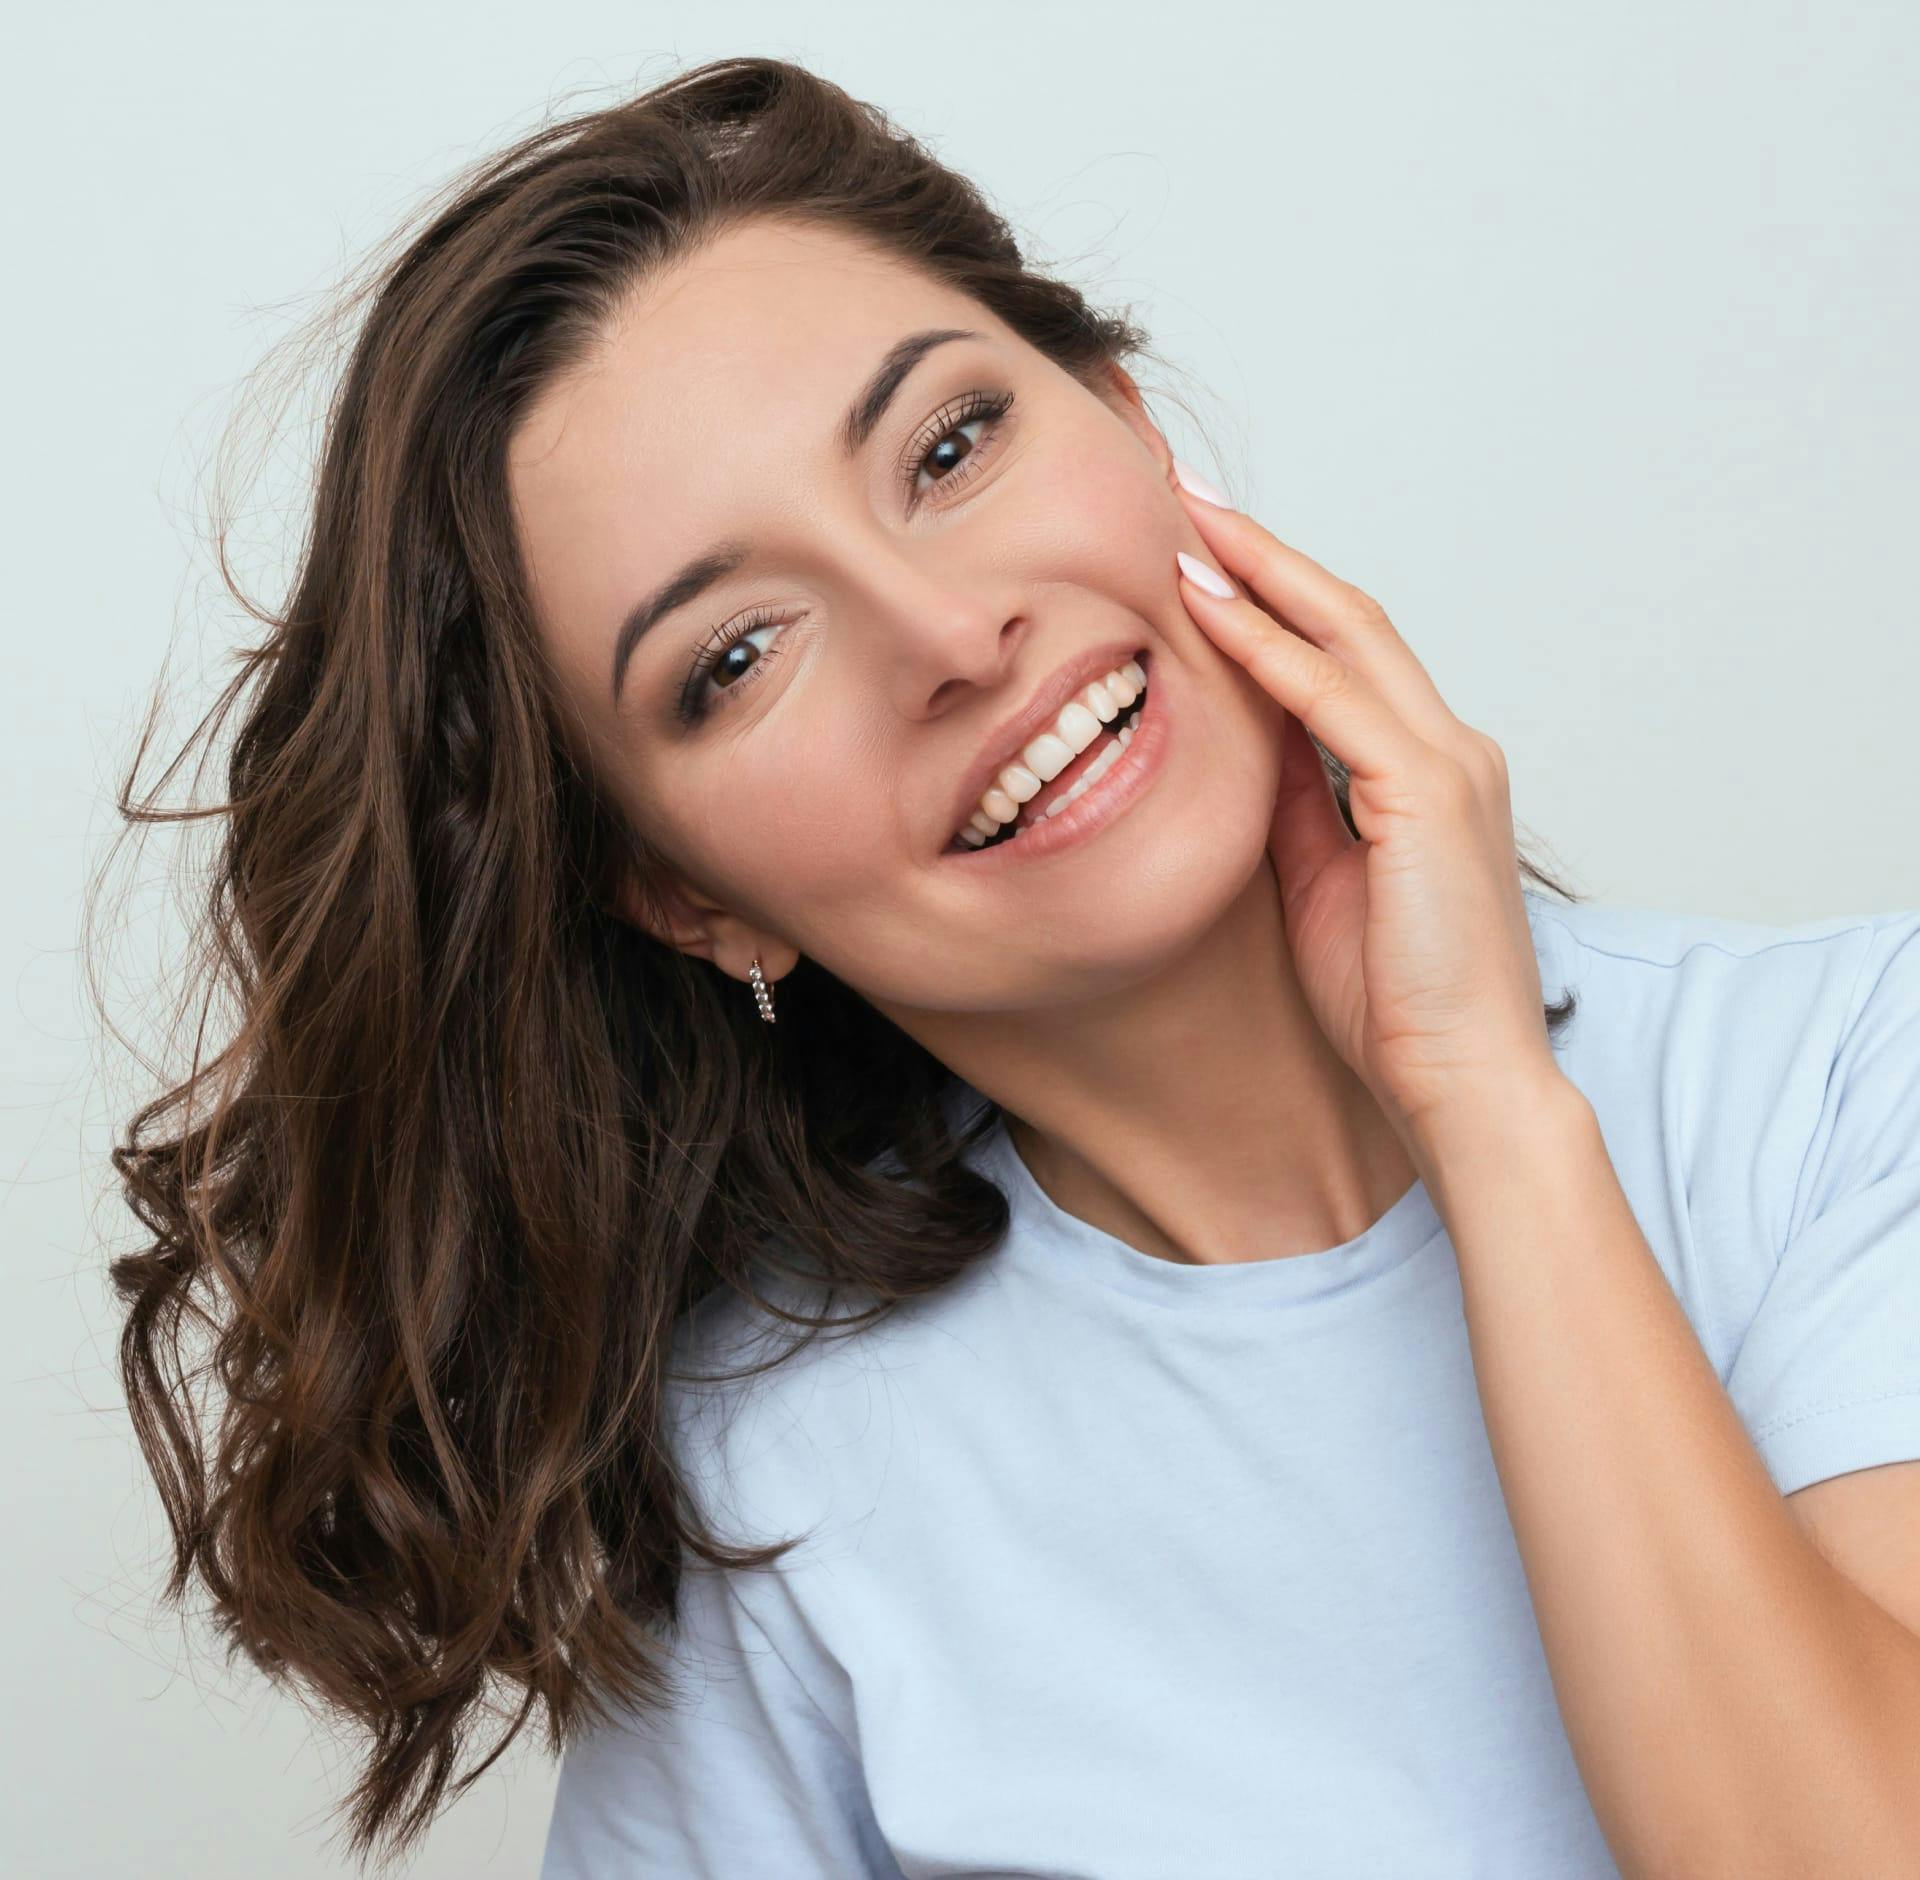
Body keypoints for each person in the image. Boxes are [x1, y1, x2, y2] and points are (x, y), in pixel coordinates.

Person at [102, 54, 1920, 1879]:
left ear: (1129, 425)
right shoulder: (769, 1501)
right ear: (682, 895)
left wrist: (1491, 1110)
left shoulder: (1852, 1080)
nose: (950, 635)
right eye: (735, 656)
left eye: (950, 449)